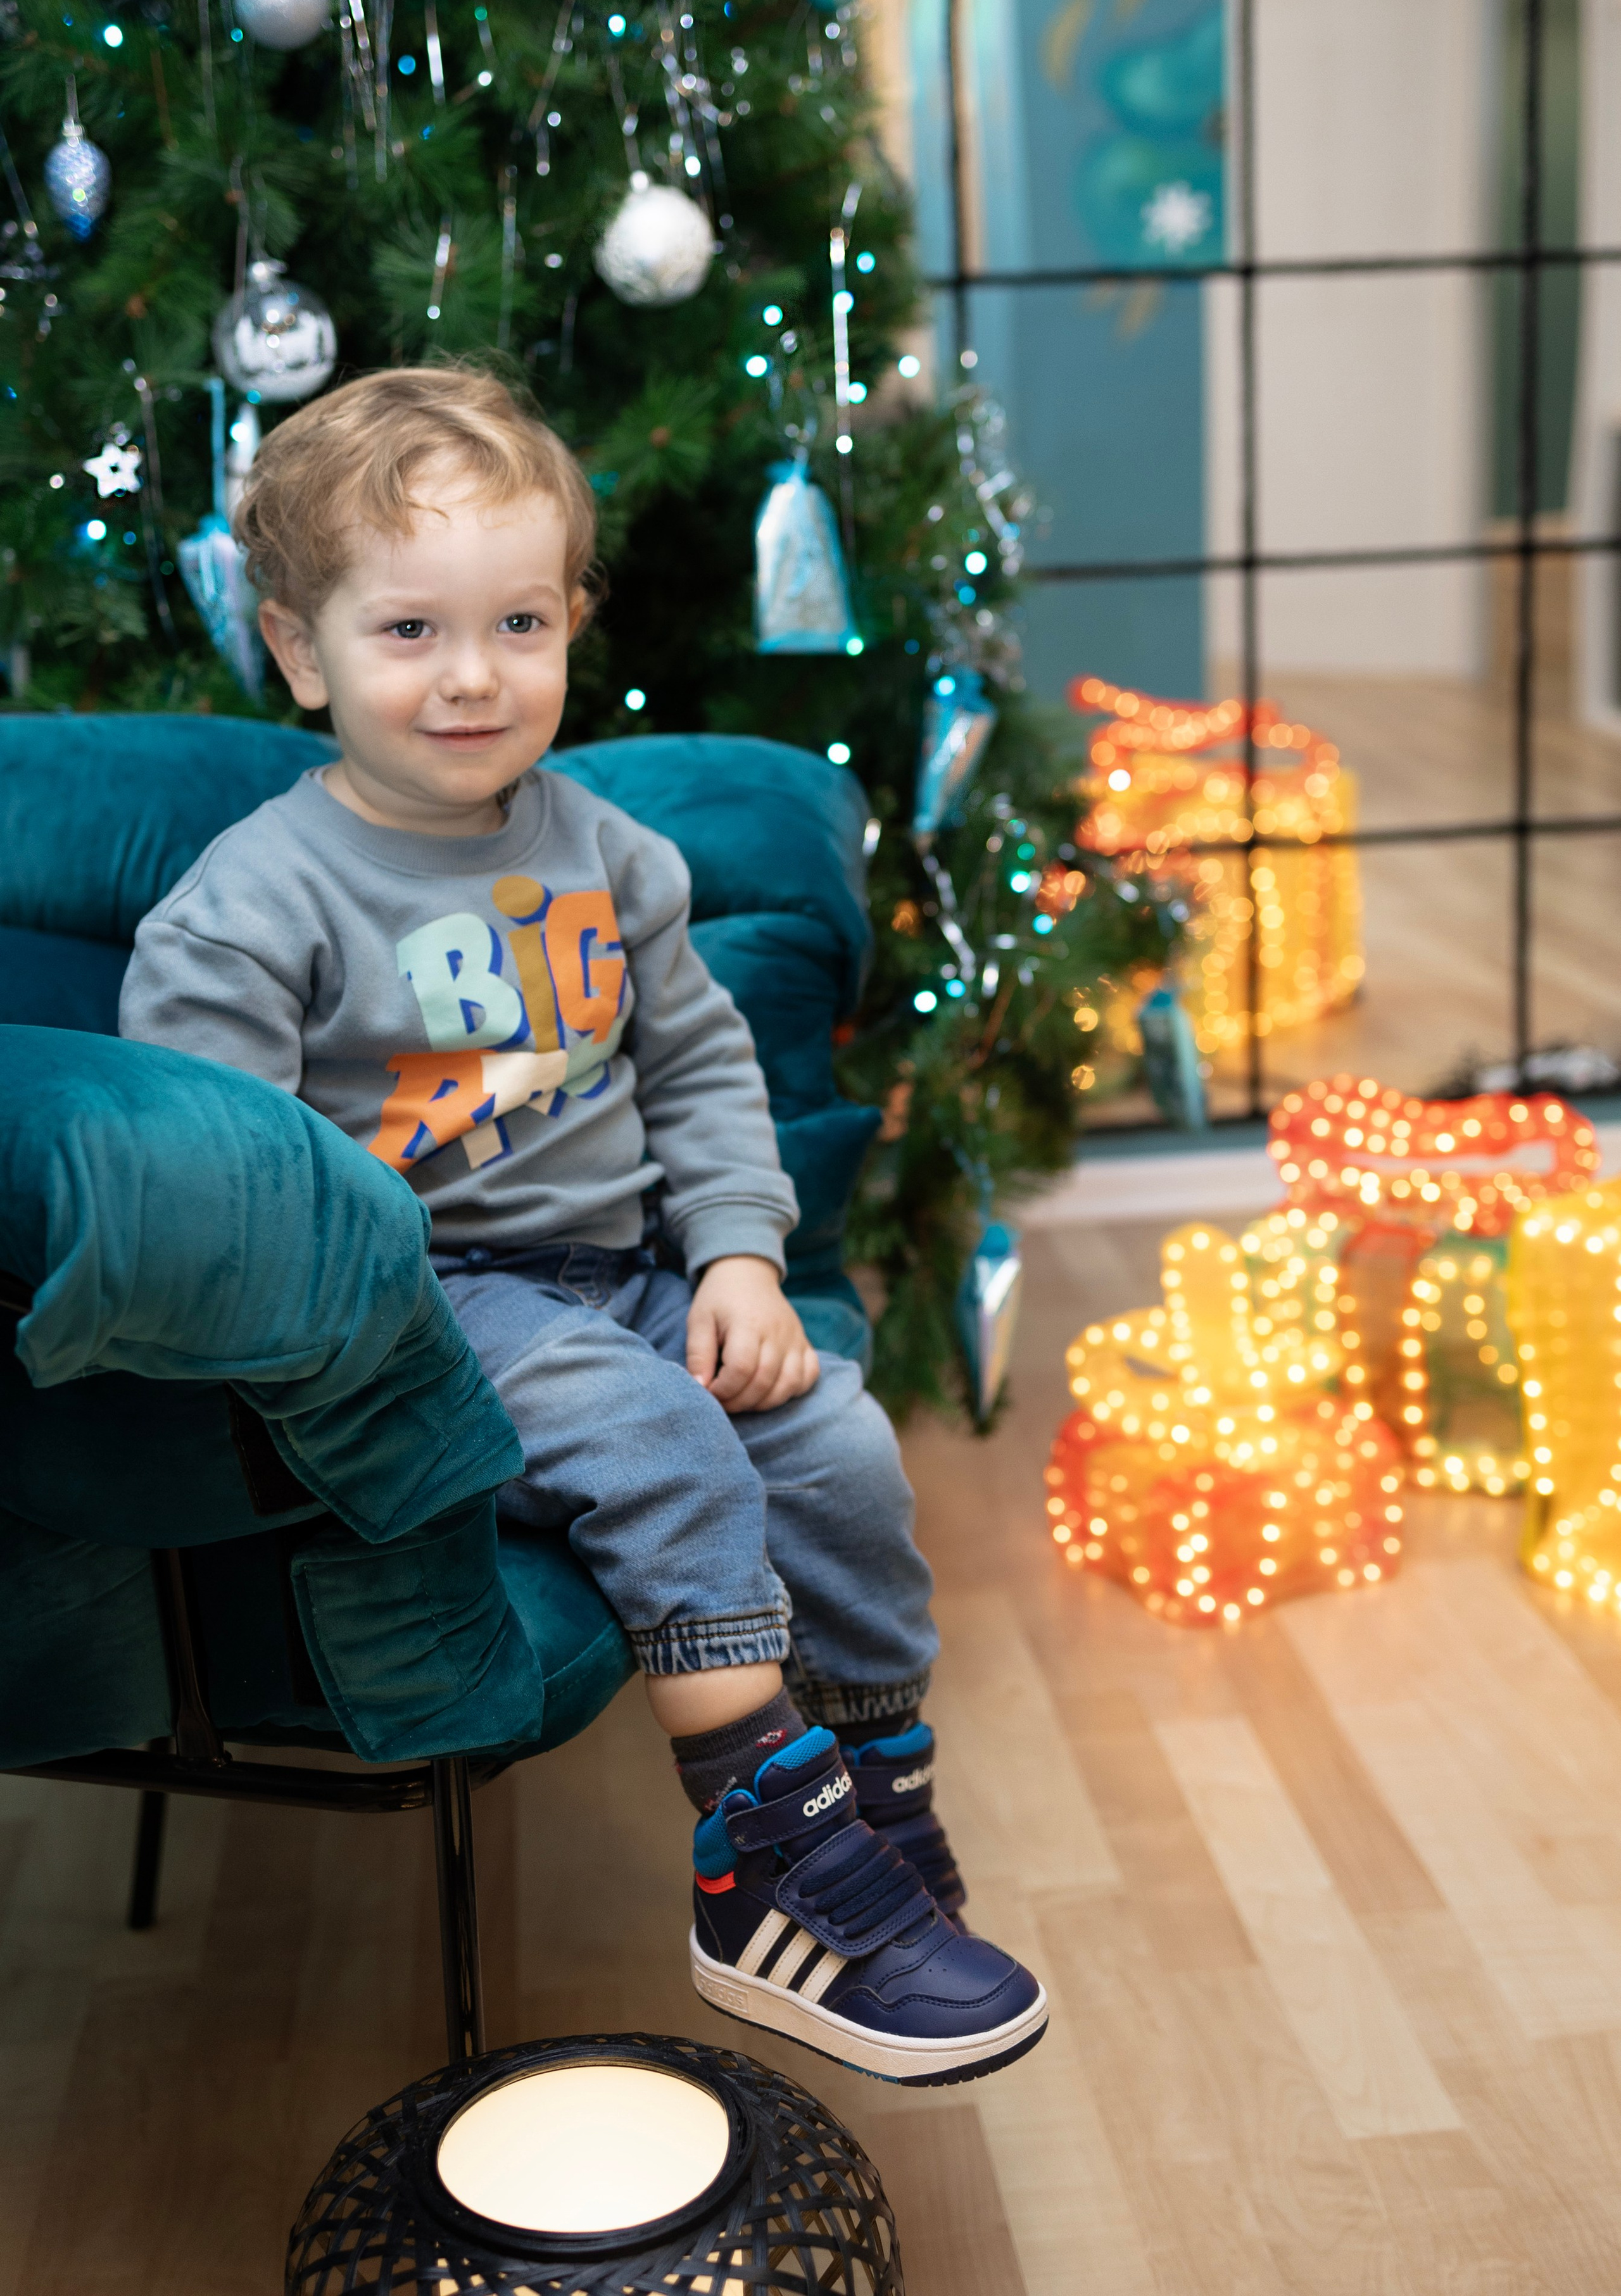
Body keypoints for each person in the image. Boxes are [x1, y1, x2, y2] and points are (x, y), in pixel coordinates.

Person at [120, 365, 1046, 2087]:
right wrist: (360, 1321)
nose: (472, 676)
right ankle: (757, 1854)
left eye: (518, 623)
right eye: (408, 631)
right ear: (304, 653)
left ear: (570, 623)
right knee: (654, 1438)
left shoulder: (606, 854)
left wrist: (744, 1260)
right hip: (411, 1309)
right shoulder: (250, 906)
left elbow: (702, 1069)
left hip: (620, 1275)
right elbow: (215, 1178)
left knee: (831, 1437)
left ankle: (871, 1798)